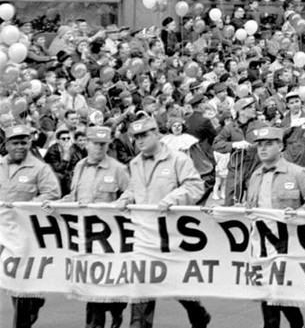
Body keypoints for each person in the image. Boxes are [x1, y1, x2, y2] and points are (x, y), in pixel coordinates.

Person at [116, 116, 210, 328]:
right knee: (141, 287)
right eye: (136, 137)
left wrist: (172, 199)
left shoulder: (178, 159)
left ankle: (198, 314)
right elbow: (134, 188)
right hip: (143, 236)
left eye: (144, 135)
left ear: (157, 134)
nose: (139, 141)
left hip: (172, 236)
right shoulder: (135, 163)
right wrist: (126, 197)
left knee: (177, 285)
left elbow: (195, 186)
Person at [243, 126, 305, 328]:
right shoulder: (255, 176)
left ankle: (297, 324)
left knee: (282, 296)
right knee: (269, 297)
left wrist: (298, 213)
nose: (263, 149)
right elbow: (250, 208)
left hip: (288, 246)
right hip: (262, 246)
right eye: (260, 145)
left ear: (280, 146)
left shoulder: (297, 173)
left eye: (268, 144)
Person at [64, 125, 131, 328]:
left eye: (103, 144)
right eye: (95, 144)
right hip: (84, 236)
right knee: (91, 287)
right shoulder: (80, 167)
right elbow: (74, 197)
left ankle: (117, 311)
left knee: (110, 288)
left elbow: (132, 193)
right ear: (86, 144)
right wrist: (57, 204)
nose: (99, 148)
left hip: (110, 240)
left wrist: (121, 204)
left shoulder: (118, 169)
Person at [0, 124, 60, 328]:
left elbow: (52, 194)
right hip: (3, 233)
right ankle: (35, 301)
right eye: (15, 143)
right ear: (6, 145)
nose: (20, 146)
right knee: (10, 279)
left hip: (28, 235)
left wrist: (29, 205)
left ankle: (23, 322)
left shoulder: (40, 168)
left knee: (21, 283)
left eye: (24, 142)